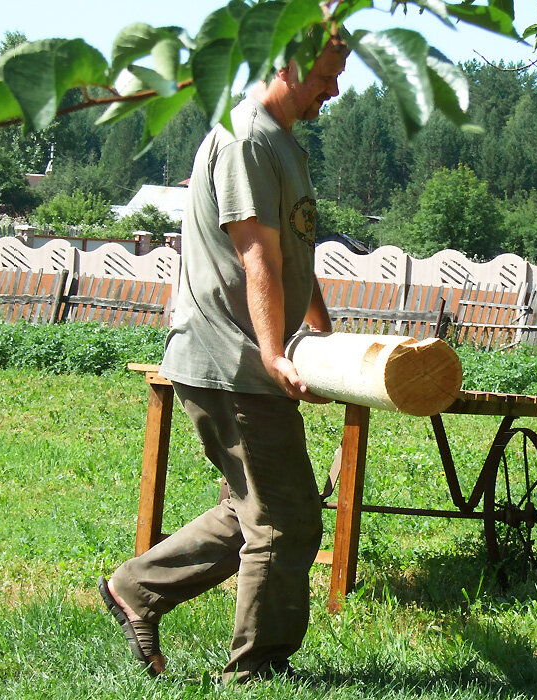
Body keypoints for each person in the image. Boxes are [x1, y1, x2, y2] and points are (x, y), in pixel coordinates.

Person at [98, 38, 348, 684]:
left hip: (246, 357)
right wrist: (271, 353)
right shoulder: (246, 139)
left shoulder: (283, 141)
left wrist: (324, 335)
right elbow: (255, 256)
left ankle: (136, 588)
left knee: (250, 510)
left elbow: (294, 249)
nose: (334, 91)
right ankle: (256, 669)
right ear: (289, 66)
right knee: (287, 518)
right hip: (230, 358)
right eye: (326, 76)